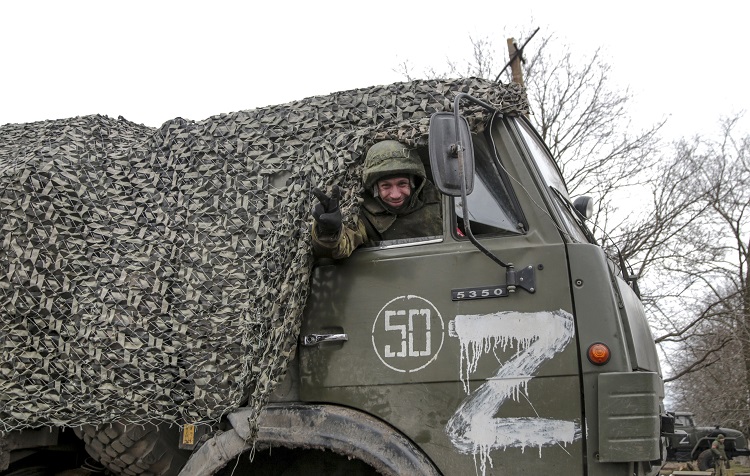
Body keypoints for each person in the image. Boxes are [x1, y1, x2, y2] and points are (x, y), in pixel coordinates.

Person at [312, 140, 442, 259]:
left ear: (414, 184)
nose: (395, 195)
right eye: (386, 186)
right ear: (374, 188)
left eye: (402, 184)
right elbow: (341, 247)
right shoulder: (364, 216)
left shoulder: (439, 201)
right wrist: (329, 232)